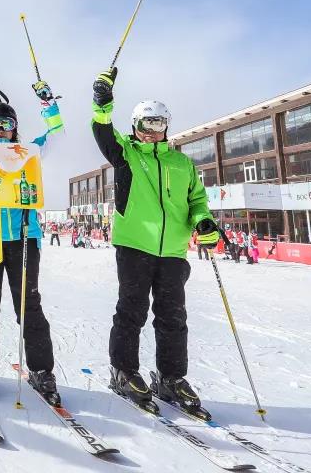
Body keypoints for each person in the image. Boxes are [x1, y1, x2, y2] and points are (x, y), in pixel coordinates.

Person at [91, 66, 222, 418]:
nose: (151, 132)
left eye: (158, 125)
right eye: (146, 125)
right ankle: (124, 371)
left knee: (173, 317)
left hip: (173, 251)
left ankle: (171, 378)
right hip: (135, 245)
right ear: (135, 126)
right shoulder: (126, 154)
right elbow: (102, 131)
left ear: (166, 126)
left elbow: (197, 201)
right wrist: (102, 101)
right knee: (131, 311)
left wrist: (204, 222)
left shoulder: (181, 163)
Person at [0, 91, 65, 404]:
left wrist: (49, 106)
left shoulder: (28, 152)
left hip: (24, 235)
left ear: (14, 128)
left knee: (28, 304)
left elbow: (57, 137)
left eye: (6, 123)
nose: (0, 128)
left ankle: (41, 369)